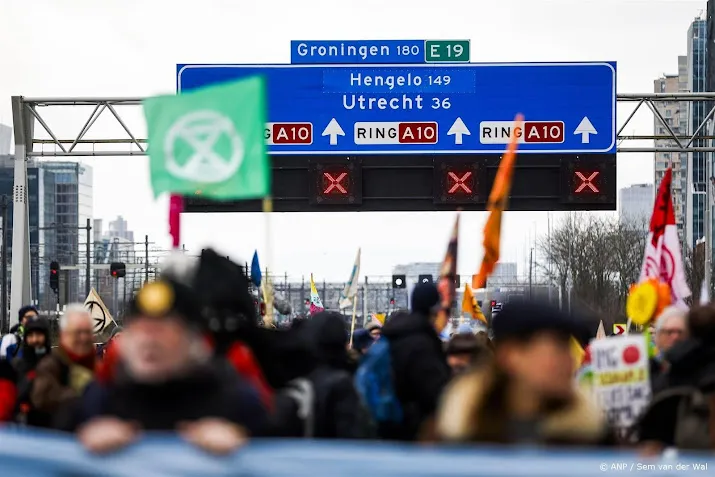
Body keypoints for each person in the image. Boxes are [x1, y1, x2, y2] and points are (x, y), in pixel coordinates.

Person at [75, 279, 268, 454]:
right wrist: (82, 439)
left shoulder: (235, 401)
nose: (148, 340)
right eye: (140, 329)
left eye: (162, 330)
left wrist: (244, 441)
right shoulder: (100, 400)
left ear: (193, 339)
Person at [435, 300, 613, 446]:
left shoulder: (591, 434)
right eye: (558, 348)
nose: (570, 360)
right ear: (511, 355)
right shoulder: (454, 435)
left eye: (568, 347)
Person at [378, 282, 451, 441]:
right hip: (413, 431)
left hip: (387, 423)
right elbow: (433, 393)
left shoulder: (393, 336)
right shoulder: (422, 343)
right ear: (435, 308)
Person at [636, 305, 715, 451]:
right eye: (669, 332)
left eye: (680, 332)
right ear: (657, 336)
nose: (675, 337)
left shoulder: (699, 374)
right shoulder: (643, 372)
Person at [30, 304, 96, 426]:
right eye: (78, 332)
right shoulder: (50, 366)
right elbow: (42, 400)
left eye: (87, 332)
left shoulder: (99, 366)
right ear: (64, 335)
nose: (84, 338)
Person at [12, 315, 52, 427]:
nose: (35, 340)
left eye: (39, 335)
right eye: (31, 335)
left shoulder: (56, 364)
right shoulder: (17, 365)